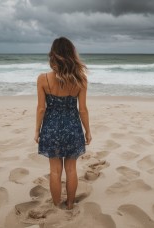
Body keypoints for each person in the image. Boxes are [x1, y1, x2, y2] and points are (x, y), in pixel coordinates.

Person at [34, 37, 92, 210]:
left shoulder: (43, 79)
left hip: (51, 127)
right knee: (72, 169)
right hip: (72, 127)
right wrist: (88, 131)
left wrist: (37, 130)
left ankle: (56, 204)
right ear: (71, 55)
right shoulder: (80, 80)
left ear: (53, 55)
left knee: (54, 170)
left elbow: (41, 109)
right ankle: (69, 205)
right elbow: (82, 109)